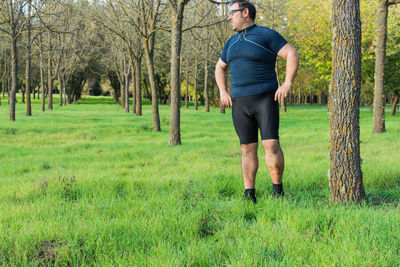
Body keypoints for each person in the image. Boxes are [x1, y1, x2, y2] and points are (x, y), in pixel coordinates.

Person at [215, 0, 299, 203]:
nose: (229, 17)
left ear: (245, 12)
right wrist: (223, 91)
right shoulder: (230, 43)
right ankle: (248, 194)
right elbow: (219, 67)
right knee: (246, 148)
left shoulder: (266, 34)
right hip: (239, 103)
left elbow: (291, 54)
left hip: (265, 99)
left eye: (232, 13)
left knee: (271, 145)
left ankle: (277, 191)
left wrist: (287, 83)